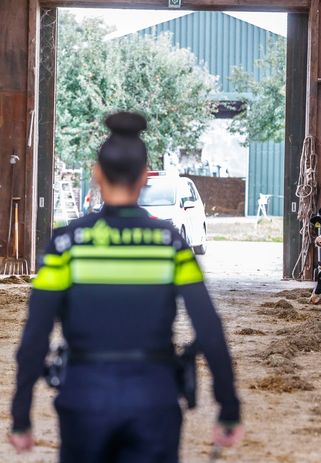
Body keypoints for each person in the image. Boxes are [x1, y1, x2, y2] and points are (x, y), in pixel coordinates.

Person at [9, 112, 243, 462]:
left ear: (97, 174)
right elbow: (209, 328)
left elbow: (36, 333)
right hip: (155, 401)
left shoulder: (66, 245)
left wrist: (21, 414)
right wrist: (228, 407)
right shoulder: (170, 244)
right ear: (144, 178)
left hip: (83, 401)